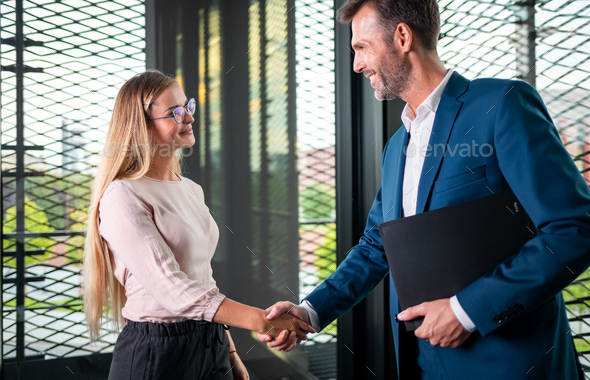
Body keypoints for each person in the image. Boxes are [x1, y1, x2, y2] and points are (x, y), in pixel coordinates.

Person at [258, 0, 590, 379]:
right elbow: (377, 246)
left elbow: (573, 229)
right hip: (422, 365)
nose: (357, 65)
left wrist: (466, 311)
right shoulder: (398, 146)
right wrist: (311, 310)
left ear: (401, 37)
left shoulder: (501, 105)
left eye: (362, 48)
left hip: (512, 364)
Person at [83, 70, 315, 380]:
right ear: (141, 125)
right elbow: (173, 289)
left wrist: (229, 350)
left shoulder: (190, 189)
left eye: (188, 106)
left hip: (211, 343)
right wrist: (262, 320)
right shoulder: (122, 195)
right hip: (158, 353)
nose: (189, 118)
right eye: (175, 112)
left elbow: (203, 280)